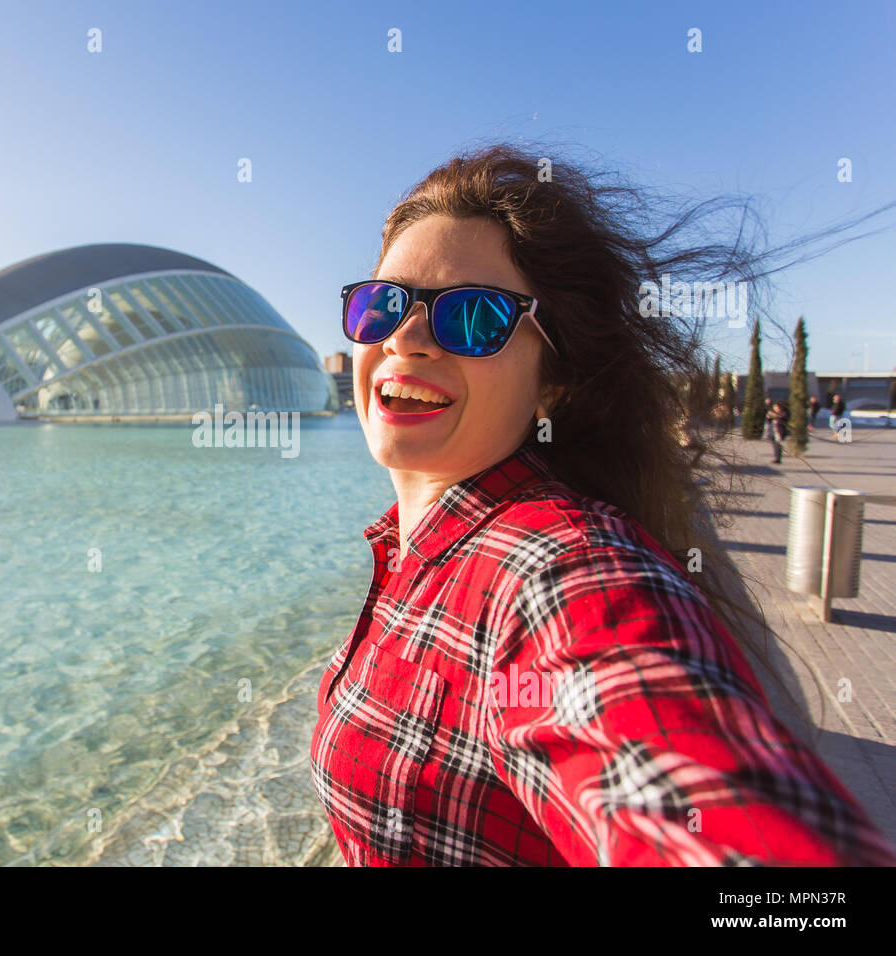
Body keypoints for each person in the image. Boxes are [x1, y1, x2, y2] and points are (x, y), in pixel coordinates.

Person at [312, 144, 896, 866]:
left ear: (553, 383)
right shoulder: (416, 550)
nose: (406, 337)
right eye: (384, 305)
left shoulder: (559, 569)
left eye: (471, 318)